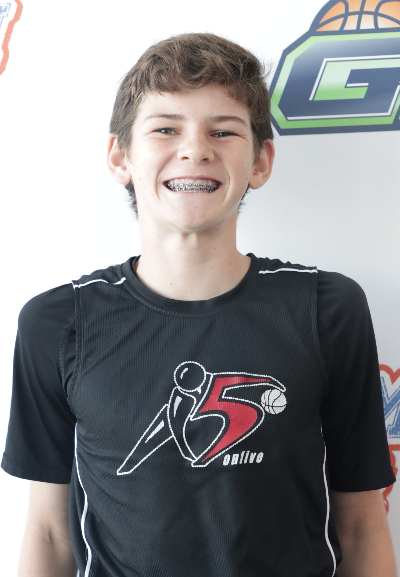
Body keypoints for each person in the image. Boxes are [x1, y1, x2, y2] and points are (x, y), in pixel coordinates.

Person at [1, 33, 397, 577]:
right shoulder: (58, 323)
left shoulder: (327, 309)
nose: (195, 149)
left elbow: (361, 523)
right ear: (120, 155)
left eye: (223, 131)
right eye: (166, 128)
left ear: (260, 161)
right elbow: (48, 532)